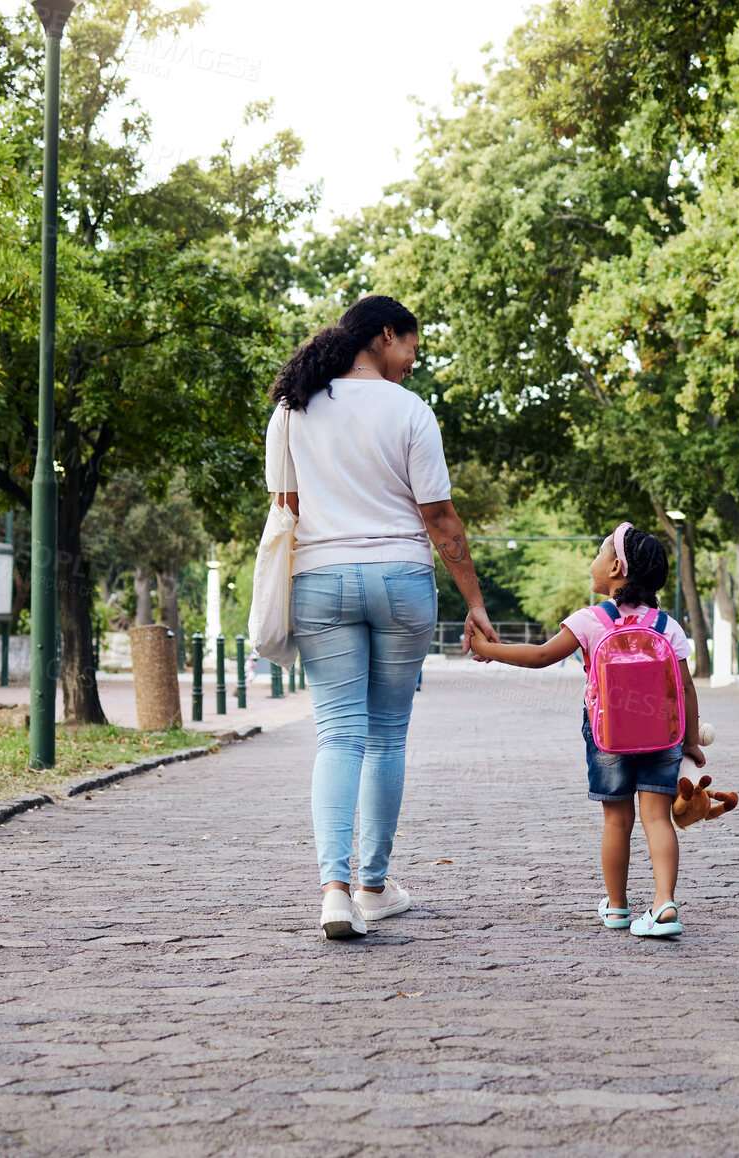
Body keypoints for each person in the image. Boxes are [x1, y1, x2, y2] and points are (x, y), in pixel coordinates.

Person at [268, 295, 499, 940]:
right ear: (386, 336)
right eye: (411, 351)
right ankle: (373, 885)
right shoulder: (410, 412)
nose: (412, 365)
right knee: (387, 737)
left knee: (338, 736)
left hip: (320, 580)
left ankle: (334, 892)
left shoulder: (292, 408)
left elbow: (285, 503)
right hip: (400, 580)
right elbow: (440, 519)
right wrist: (474, 604)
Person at [467, 522, 705, 937]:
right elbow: (684, 687)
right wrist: (689, 738)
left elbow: (540, 656)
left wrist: (488, 650)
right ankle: (664, 903)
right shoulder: (667, 626)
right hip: (662, 735)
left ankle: (616, 907)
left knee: (617, 821)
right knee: (658, 819)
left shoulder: (592, 621)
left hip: (608, 738)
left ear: (616, 568)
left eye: (598, 554)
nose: (592, 562)